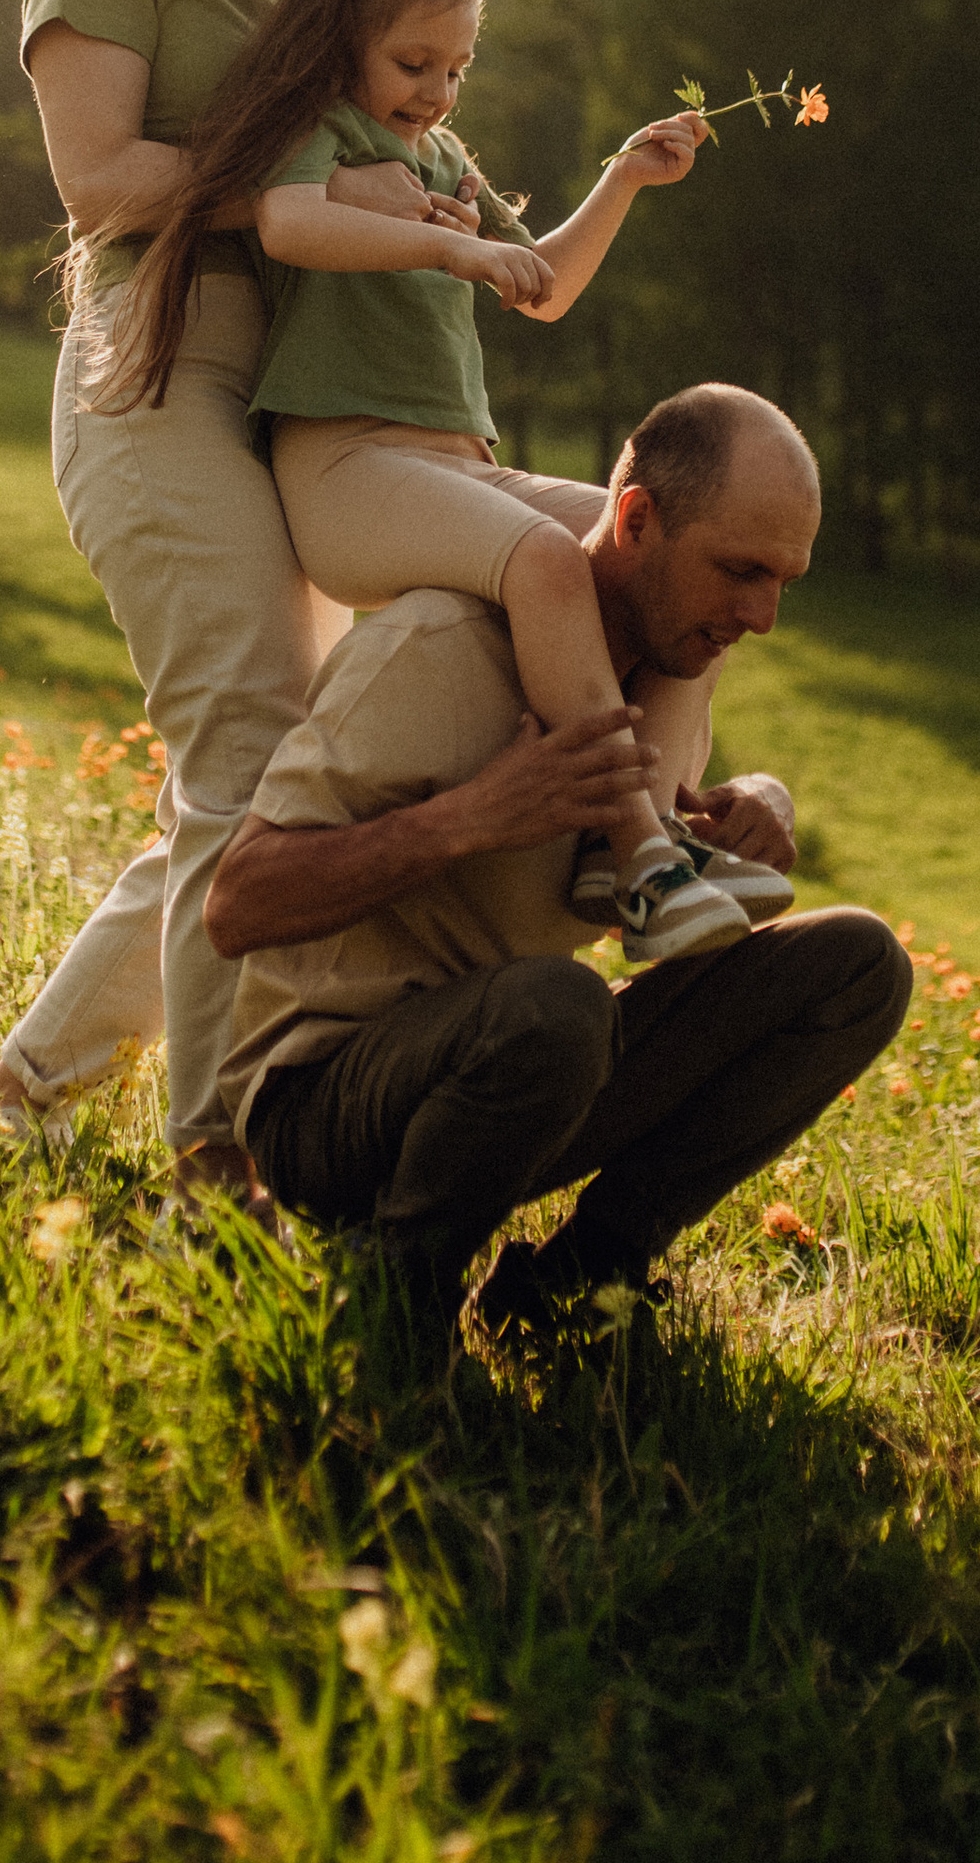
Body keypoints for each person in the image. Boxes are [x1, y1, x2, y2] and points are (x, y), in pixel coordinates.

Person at [0, 0, 469, 1189]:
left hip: (314, 405)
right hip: (158, 368)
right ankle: (216, 1142)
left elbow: (404, 152)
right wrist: (308, 191)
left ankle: (28, 1088)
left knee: (265, 781)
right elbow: (103, 180)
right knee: (249, 749)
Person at [107, 0, 759, 957]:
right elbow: (290, 227)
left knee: (673, 568)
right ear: (344, 47)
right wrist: (447, 245)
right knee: (548, 565)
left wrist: (623, 181)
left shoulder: (446, 158)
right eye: (414, 66)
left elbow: (539, 285)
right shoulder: (316, 134)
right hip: (347, 471)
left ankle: (631, 841)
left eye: (457, 69)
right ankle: (639, 847)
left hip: (460, 465)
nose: (439, 93)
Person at [202, 384, 913, 1326]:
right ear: (636, 518)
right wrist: (470, 818)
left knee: (859, 964)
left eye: (783, 580)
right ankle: (396, 1302)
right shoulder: (436, 650)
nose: (763, 614)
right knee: (558, 1007)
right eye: (740, 570)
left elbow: (622, 893)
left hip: (524, 1069)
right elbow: (238, 906)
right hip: (324, 1106)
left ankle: (581, 1282)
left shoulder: (668, 686)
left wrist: (742, 813)